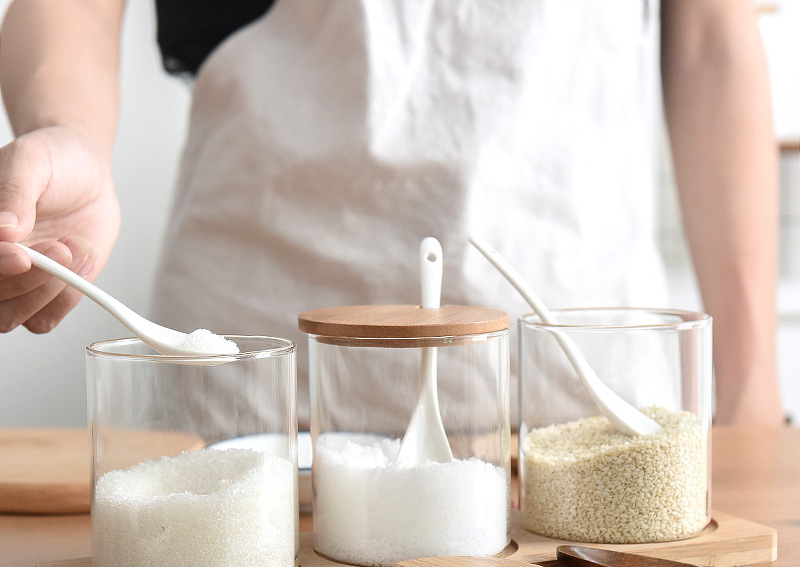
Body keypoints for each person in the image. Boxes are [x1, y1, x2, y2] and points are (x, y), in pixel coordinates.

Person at [0, 0, 785, 427]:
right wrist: (62, 129)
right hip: (254, 383)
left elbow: (714, 38)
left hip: (586, 398)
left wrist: (749, 395)